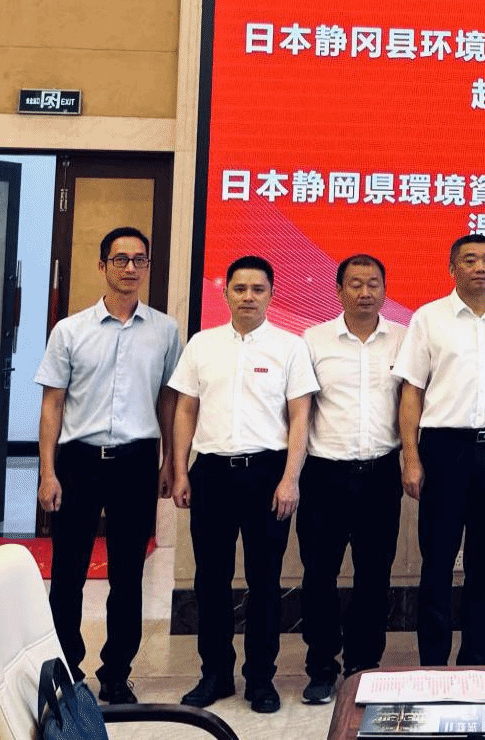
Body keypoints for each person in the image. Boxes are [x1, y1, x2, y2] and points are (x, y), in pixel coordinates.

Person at [35, 226, 180, 703]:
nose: (130, 268)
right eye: (120, 259)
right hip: (78, 461)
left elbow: (168, 399)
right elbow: (52, 404)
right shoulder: (70, 331)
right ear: (102, 265)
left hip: (136, 462)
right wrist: (48, 471)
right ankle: (67, 668)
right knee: (69, 572)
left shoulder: (165, 330)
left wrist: (170, 461)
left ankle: (117, 672)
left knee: (128, 573)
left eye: (139, 260)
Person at [170, 255, 318, 713]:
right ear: (225, 292)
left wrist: (290, 479)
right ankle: (215, 674)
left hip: (267, 475)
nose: (248, 297)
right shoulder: (202, 344)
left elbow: (300, 416)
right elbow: (186, 409)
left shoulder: (290, 347)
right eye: (240, 288)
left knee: (265, 581)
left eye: (258, 289)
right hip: (211, 473)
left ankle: (260, 679)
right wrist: (180, 469)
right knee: (210, 579)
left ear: (272, 294)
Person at [392, 235, 485, 666]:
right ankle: (433, 661)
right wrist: (411, 457)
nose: (480, 267)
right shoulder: (429, 318)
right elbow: (412, 392)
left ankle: (477, 656)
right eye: (469, 260)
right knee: (437, 560)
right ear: (451, 268)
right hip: (443, 450)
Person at [297, 254, 406, 704]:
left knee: (374, 575)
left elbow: (412, 404)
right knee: (318, 574)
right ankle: (322, 668)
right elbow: (299, 409)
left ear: (385, 290)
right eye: (355, 284)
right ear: (338, 290)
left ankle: (363, 664)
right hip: (324, 474)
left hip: (381, 473)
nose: (365, 292)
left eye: (373, 284)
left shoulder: (403, 339)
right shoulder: (313, 340)